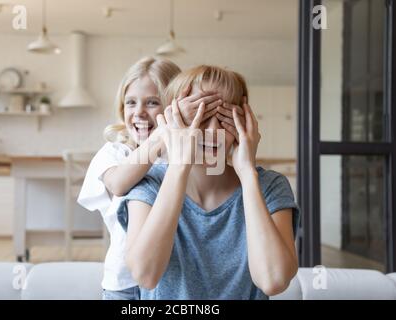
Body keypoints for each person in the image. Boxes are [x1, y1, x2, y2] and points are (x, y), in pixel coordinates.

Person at [117, 65, 300, 299]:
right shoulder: (150, 185)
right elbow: (145, 274)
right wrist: (179, 165)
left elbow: (273, 280)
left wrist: (247, 174)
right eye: (200, 117)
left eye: (224, 117)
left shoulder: (269, 186)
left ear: (244, 123)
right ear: (172, 123)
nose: (213, 130)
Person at [77, 58, 223, 300]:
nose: (139, 112)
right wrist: (166, 133)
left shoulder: (186, 153)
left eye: (152, 102)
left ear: (175, 107)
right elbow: (118, 184)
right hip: (126, 285)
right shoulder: (116, 153)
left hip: (176, 284)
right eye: (131, 103)